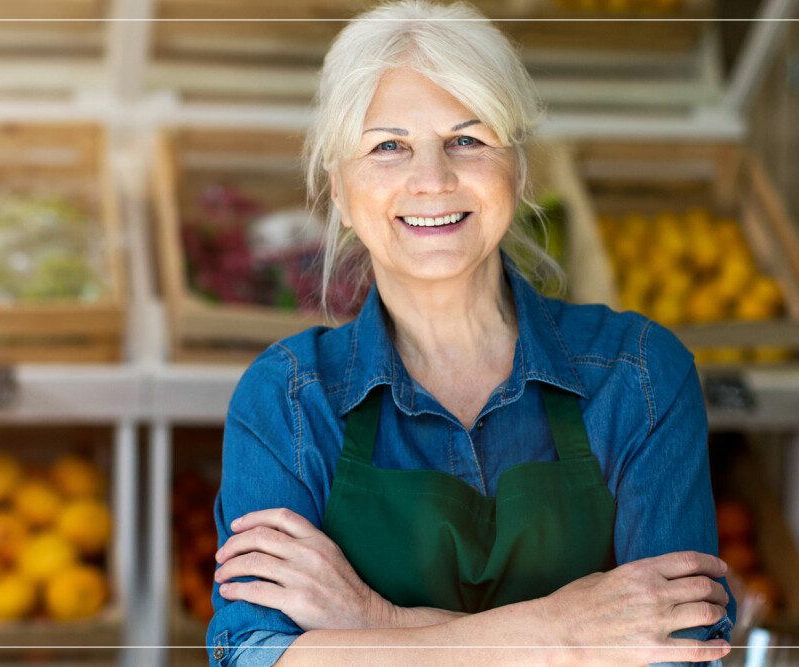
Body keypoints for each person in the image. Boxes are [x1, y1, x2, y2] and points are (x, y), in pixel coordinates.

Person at [205, 2, 737, 666]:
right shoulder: (287, 400)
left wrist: (376, 622)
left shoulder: (637, 374)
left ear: (516, 166)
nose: (432, 179)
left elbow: (680, 648)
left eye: (467, 138)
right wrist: (562, 636)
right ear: (339, 187)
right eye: (388, 146)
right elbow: (254, 653)